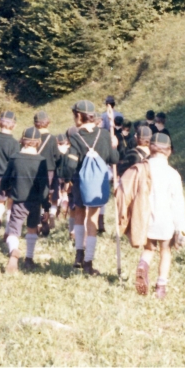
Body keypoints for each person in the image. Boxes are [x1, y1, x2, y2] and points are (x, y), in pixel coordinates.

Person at [65, 100, 119, 274]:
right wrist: (114, 146)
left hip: (80, 181)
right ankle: (88, 262)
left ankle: (78, 254)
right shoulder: (104, 135)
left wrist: (65, 179)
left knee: (79, 213)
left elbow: (71, 163)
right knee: (93, 219)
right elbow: (114, 159)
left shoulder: (74, 136)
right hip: (98, 182)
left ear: (79, 116)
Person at [135, 133, 185, 300]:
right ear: (169, 151)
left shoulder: (142, 169)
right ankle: (161, 287)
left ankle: (143, 264)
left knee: (149, 249)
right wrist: (181, 227)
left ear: (150, 149)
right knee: (166, 251)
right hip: (166, 221)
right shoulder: (172, 174)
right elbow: (177, 203)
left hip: (146, 218)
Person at [1, 127, 51, 273]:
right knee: (32, 229)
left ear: (22, 140)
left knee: (14, 231)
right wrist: (46, 207)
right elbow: (45, 187)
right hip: (35, 201)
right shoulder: (41, 161)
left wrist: (8, 189)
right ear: (38, 143)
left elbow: (5, 181)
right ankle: (29, 259)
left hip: (18, 201)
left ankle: (14, 252)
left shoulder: (15, 158)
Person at [0, 111, 20, 242]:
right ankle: (7, 232)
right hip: (11, 176)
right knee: (11, 203)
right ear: (14, 126)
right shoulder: (14, 143)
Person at [34, 111, 60, 231]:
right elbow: (57, 156)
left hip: (34, 168)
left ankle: (38, 221)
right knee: (47, 196)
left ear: (35, 124)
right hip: (49, 170)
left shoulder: (33, 137)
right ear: (48, 123)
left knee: (36, 195)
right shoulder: (52, 138)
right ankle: (46, 216)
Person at [55, 133, 74, 232]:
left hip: (58, 176)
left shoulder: (57, 152)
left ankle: (58, 213)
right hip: (67, 177)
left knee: (58, 195)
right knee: (66, 194)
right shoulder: (69, 152)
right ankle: (64, 213)